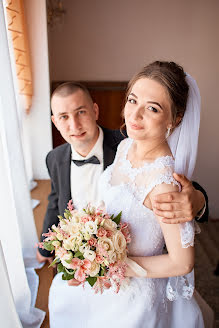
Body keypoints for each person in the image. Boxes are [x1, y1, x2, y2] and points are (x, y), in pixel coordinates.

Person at [48, 62, 213, 327]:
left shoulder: (163, 182)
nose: (134, 116)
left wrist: (110, 266)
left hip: (132, 295)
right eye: (132, 100)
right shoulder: (125, 145)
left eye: (153, 108)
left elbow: (182, 263)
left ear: (175, 119)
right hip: (100, 273)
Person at [37, 81, 208, 268]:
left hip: (129, 262)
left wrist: (199, 200)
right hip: (81, 260)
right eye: (63, 117)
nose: (74, 125)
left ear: (95, 111)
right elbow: (55, 200)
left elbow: (168, 179)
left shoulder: (128, 143)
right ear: (55, 122)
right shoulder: (53, 158)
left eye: (81, 112)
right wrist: (44, 249)